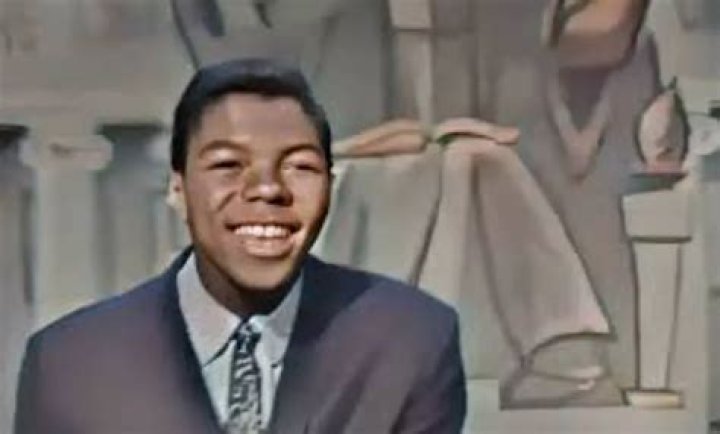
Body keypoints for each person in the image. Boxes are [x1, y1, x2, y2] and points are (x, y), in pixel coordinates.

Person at [14, 58, 466, 434]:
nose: (267, 189)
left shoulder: (410, 340)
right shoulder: (69, 364)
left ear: (330, 185)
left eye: (299, 167)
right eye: (229, 165)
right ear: (177, 188)